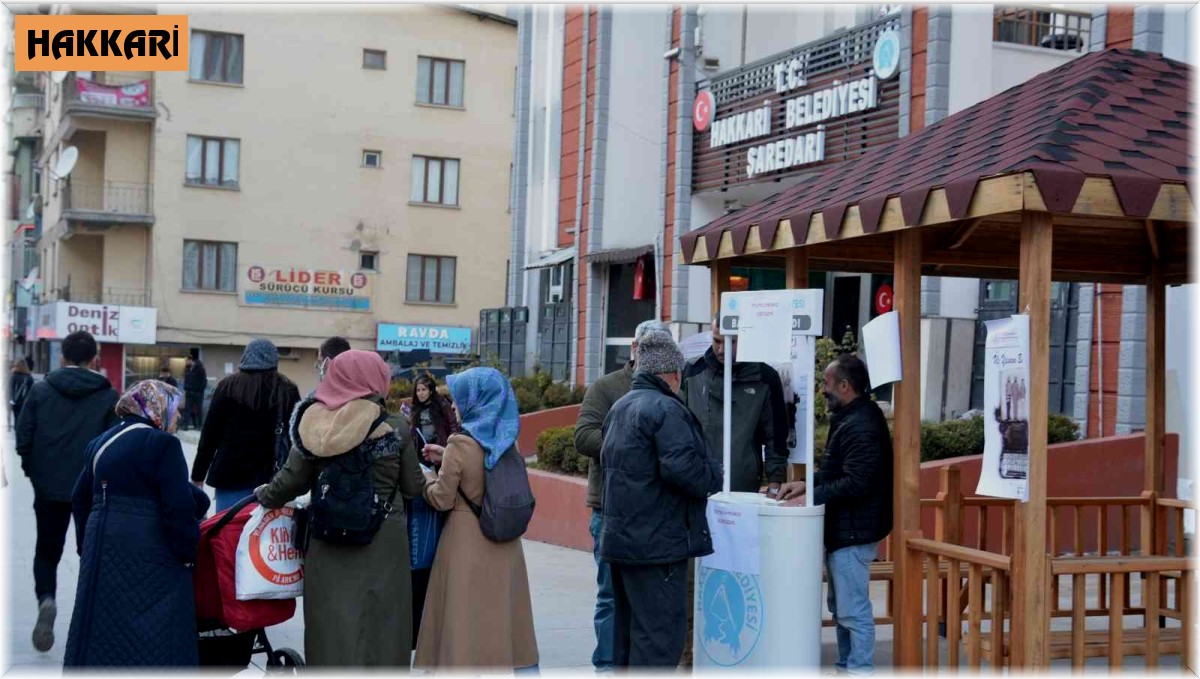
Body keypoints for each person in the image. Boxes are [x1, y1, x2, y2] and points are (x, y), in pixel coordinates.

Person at [255, 350, 426, 667]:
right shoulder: (395, 427)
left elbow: (290, 481)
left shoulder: (315, 424)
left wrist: (264, 495)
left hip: (329, 537)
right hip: (384, 542)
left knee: (331, 620)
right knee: (384, 619)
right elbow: (414, 487)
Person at [64, 380, 211, 667]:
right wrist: (188, 553)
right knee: (156, 638)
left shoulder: (100, 442)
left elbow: (79, 498)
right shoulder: (163, 444)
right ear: (157, 407)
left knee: (103, 636)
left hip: (102, 555)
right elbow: (178, 507)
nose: (179, 416)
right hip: (151, 556)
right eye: (176, 409)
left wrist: (87, 548)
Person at [599, 329, 722, 668]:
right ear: (673, 373)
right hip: (657, 547)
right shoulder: (666, 409)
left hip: (622, 543)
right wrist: (715, 474)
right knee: (659, 641)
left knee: (627, 639)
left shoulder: (620, 407)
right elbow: (685, 470)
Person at [678, 316, 788, 665]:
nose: (723, 349)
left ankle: (736, 655)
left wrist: (774, 481)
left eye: (732, 341)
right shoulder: (693, 373)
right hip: (696, 496)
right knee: (692, 579)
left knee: (738, 575)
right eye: (717, 340)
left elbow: (776, 438)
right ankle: (688, 655)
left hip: (743, 496)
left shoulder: (765, 377)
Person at [414, 367, 539, 671]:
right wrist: (446, 457)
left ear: (476, 400)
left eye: (459, 399)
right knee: (502, 618)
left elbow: (442, 499)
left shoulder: (459, 444)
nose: (454, 406)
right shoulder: (507, 440)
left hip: (465, 543)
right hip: (505, 543)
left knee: (463, 623)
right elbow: (483, 467)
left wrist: (427, 477)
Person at [778, 353, 894, 675]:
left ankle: (859, 669)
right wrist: (806, 484)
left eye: (827, 383)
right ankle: (846, 666)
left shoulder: (861, 424)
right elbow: (838, 472)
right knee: (842, 608)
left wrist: (811, 495)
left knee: (852, 610)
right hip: (846, 530)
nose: (822, 389)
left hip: (854, 532)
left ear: (845, 386)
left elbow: (856, 482)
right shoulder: (851, 418)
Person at [15, 331, 119, 653]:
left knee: (47, 551)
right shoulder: (108, 396)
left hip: (48, 486)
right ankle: (91, 615)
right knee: (91, 551)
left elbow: (23, 438)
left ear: (62, 357)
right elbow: (112, 445)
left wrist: (34, 472)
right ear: (94, 360)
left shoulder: (41, 390)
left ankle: (46, 599)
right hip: (89, 489)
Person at [573, 318, 666, 672]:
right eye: (649, 348)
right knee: (611, 594)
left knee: (652, 597)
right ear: (634, 349)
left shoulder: (674, 387)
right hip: (610, 509)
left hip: (658, 511)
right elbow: (583, 437)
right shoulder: (606, 387)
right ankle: (607, 665)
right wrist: (633, 446)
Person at [192, 339, 301, 512]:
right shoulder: (287, 390)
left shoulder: (227, 387)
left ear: (245, 358)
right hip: (271, 482)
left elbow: (210, 435)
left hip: (229, 477)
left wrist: (198, 475)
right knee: (266, 529)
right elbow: (297, 437)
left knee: (228, 527)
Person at [405, 372, 458, 645]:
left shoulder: (443, 409)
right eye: (419, 390)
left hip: (439, 468)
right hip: (421, 468)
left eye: (425, 389)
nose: (421, 394)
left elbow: (453, 432)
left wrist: (446, 454)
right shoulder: (412, 412)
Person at [183, 349, 208, 430]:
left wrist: (200, 390)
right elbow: (186, 379)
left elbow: (204, 381)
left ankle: (199, 425)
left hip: (198, 393)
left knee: (198, 410)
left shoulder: (200, 368)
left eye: (187, 360)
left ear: (191, 360)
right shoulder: (187, 369)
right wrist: (186, 388)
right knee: (187, 409)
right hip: (189, 392)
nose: (186, 362)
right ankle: (185, 425)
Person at [9, 358, 33, 430]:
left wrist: (11, 400)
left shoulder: (13, 376)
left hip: (15, 401)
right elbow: (32, 390)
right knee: (24, 418)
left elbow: (10, 388)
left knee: (16, 417)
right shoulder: (29, 377)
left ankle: (16, 430)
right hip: (25, 402)